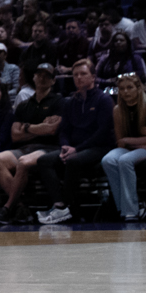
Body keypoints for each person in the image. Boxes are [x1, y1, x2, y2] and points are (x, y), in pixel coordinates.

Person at [31, 59, 114, 225]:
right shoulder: (70, 102)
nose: (79, 77)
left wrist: (76, 149)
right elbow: (64, 129)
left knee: (73, 160)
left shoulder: (103, 99)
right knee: (44, 160)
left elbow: (103, 132)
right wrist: (65, 146)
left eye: (83, 74)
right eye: (75, 74)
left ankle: (66, 206)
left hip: (98, 147)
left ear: (93, 77)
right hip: (74, 148)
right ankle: (60, 205)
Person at [0, 65, 62, 224]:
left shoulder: (59, 101)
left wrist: (26, 128)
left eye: (46, 76)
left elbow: (52, 131)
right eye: (38, 74)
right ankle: (21, 206)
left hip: (49, 148)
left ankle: (7, 207)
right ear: (33, 77)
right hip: (25, 148)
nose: (41, 78)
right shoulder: (24, 105)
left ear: (53, 81)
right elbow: (15, 135)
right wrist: (37, 127)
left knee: (23, 162)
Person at [100, 73, 146, 221]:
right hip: (139, 146)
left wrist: (130, 141)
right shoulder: (117, 110)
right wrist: (138, 142)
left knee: (125, 160)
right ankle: (122, 207)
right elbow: (119, 141)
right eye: (122, 89)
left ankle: (132, 210)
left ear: (139, 88)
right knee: (108, 160)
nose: (126, 92)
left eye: (130, 87)